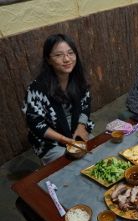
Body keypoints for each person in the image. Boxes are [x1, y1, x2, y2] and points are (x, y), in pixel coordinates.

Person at [23, 34, 94, 165]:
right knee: (74, 164)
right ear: (48, 60)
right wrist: (64, 140)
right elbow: (35, 123)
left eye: (70, 53)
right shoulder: (36, 89)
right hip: (50, 140)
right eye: (58, 55)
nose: (67, 59)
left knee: (97, 153)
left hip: (75, 129)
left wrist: (81, 126)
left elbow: (86, 104)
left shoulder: (78, 79)